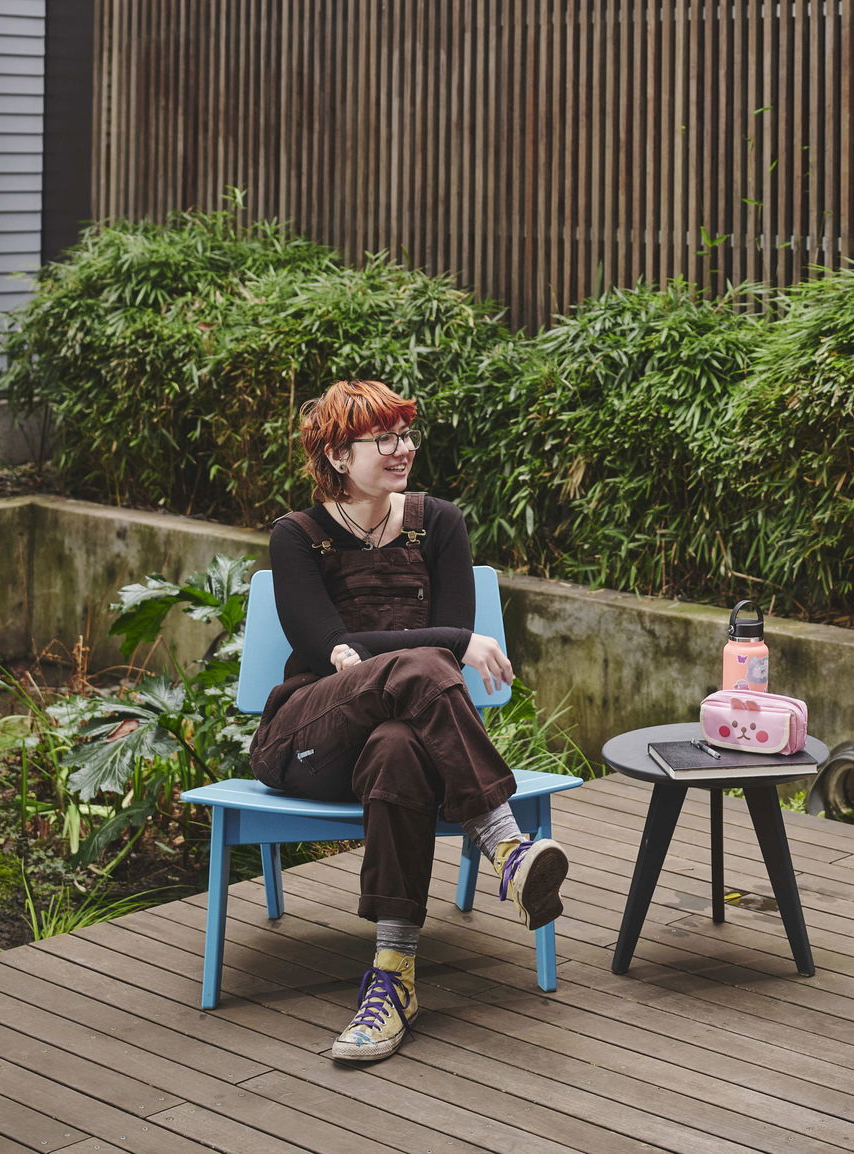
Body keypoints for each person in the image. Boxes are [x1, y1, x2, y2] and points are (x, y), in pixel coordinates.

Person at [247, 378, 569, 1063]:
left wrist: (443, 644)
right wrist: (449, 643)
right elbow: (333, 653)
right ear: (337, 455)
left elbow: (441, 643)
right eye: (383, 439)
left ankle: (391, 982)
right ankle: (508, 848)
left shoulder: (438, 522)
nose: (403, 450)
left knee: (398, 745)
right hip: (309, 737)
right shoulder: (297, 537)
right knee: (424, 664)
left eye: (406, 435)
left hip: (399, 748)